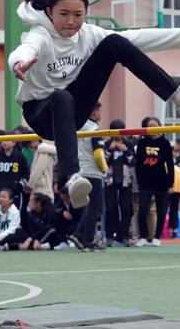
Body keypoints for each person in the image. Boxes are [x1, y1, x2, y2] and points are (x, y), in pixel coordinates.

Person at [8, 0, 180, 208]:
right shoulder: (41, 34)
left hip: (72, 112)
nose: (71, 21)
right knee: (61, 96)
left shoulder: (89, 35)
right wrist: (18, 64)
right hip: (40, 112)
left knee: (115, 42)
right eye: (64, 14)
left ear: (86, 13)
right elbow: (27, 48)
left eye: (78, 15)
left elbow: (135, 38)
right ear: (50, 11)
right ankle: (72, 178)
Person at [69, 102, 107, 252]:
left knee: (90, 207)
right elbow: (98, 153)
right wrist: (104, 169)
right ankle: (86, 240)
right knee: (94, 208)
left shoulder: (80, 127)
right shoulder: (93, 129)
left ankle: (80, 235)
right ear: (93, 113)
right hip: (93, 172)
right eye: (99, 111)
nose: (101, 115)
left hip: (82, 170)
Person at [134, 117, 174, 247]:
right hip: (145, 182)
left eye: (154, 126)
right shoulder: (142, 142)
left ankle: (156, 237)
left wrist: (170, 183)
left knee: (161, 210)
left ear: (160, 127)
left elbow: (170, 164)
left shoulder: (165, 143)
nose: (152, 128)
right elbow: (138, 162)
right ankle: (143, 237)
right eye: (149, 126)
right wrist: (139, 178)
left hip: (161, 182)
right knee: (143, 209)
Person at [104, 119, 134, 247]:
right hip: (110, 180)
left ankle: (124, 236)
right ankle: (110, 236)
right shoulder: (106, 144)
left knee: (127, 209)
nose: (117, 136)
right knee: (111, 209)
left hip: (126, 181)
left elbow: (133, 161)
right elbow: (102, 161)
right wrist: (109, 150)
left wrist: (126, 150)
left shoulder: (129, 143)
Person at [0, 132, 30, 224]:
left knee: (14, 217)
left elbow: (26, 173)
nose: (4, 142)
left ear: (14, 143)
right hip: (0, 193)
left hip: (15, 193)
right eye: (3, 140)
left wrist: (19, 186)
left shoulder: (20, 156)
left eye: (8, 140)